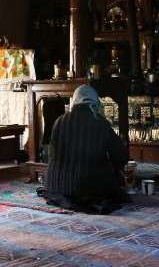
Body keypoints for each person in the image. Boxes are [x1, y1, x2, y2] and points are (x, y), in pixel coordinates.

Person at [39, 84, 129, 214]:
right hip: (88, 188)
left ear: (75, 100)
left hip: (56, 186)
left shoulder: (59, 121)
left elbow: (51, 155)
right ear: (95, 101)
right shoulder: (99, 122)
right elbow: (119, 156)